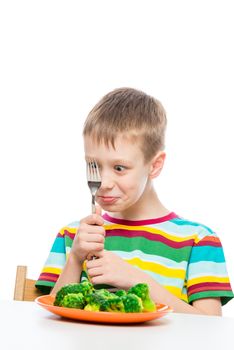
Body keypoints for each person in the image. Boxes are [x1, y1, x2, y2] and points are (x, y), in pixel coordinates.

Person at [36, 87, 234, 315]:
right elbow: (48, 318)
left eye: (119, 168)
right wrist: (75, 259)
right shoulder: (72, 236)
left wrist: (137, 281)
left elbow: (210, 328)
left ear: (155, 165)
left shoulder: (198, 241)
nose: (103, 182)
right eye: (94, 165)